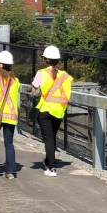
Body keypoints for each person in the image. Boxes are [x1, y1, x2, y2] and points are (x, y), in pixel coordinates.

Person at [31, 45, 73, 177]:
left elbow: (33, 92)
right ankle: (50, 161)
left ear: (46, 59)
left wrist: (36, 92)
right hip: (59, 110)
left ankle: (52, 167)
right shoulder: (65, 76)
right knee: (52, 138)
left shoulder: (41, 73)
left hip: (45, 109)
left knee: (48, 139)